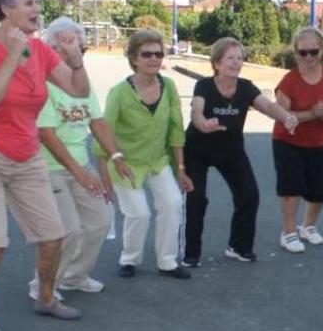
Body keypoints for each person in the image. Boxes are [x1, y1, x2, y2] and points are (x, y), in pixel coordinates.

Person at [0, 0, 88, 331]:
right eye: (29, 3)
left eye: (37, 2)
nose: (37, 10)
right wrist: (14, 53)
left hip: (25, 153)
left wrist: (77, 60)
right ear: (6, 8)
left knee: (52, 235)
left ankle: (46, 298)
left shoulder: (42, 51)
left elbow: (79, 91)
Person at [26, 17, 135, 299]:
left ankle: (74, 277)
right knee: (67, 229)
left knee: (99, 220)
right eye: (67, 51)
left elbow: (97, 122)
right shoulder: (42, 86)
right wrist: (81, 173)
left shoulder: (81, 84)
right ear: (50, 52)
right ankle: (42, 286)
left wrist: (117, 156)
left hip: (79, 166)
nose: (75, 58)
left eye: (80, 51)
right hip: (49, 168)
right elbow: (47, 135)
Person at [182, 37, 298, 267]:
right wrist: (203, 124)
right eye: (230, 58)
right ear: (217, 63)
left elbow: (266, 105)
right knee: (197, 199)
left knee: (249, 195)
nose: (236, 62)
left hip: (231, 150)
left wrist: (286, 117)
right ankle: (191, 253)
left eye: (239, 58)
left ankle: (239, 246)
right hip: (197, 150)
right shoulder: (204, 85)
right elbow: (196, 110)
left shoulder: (246, 87)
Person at [100, 29, 193, 279]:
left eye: (158, 53)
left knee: (172, 203)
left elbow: (176, 129)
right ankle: (129, 259)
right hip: (125, 162)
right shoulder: (119, 92)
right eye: (147, 54)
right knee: (139, 213)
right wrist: (107, 171)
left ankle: (168, 260)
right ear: (134, 59)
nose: (154, 58)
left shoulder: (169, 86)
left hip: (156, 160)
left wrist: (181, 169)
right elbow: (103, 131)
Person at [272, 27, 323, 253]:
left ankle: (309, 227)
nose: (309, 57)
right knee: (291, 187)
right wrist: (313, 114)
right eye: (303, 53)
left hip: (319, 142)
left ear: (322, 50)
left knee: (319, 188)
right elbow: (283, 115)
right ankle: (289, 231)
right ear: (295, 54)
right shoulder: (289, 80)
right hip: (288, 141)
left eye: (313, 51)